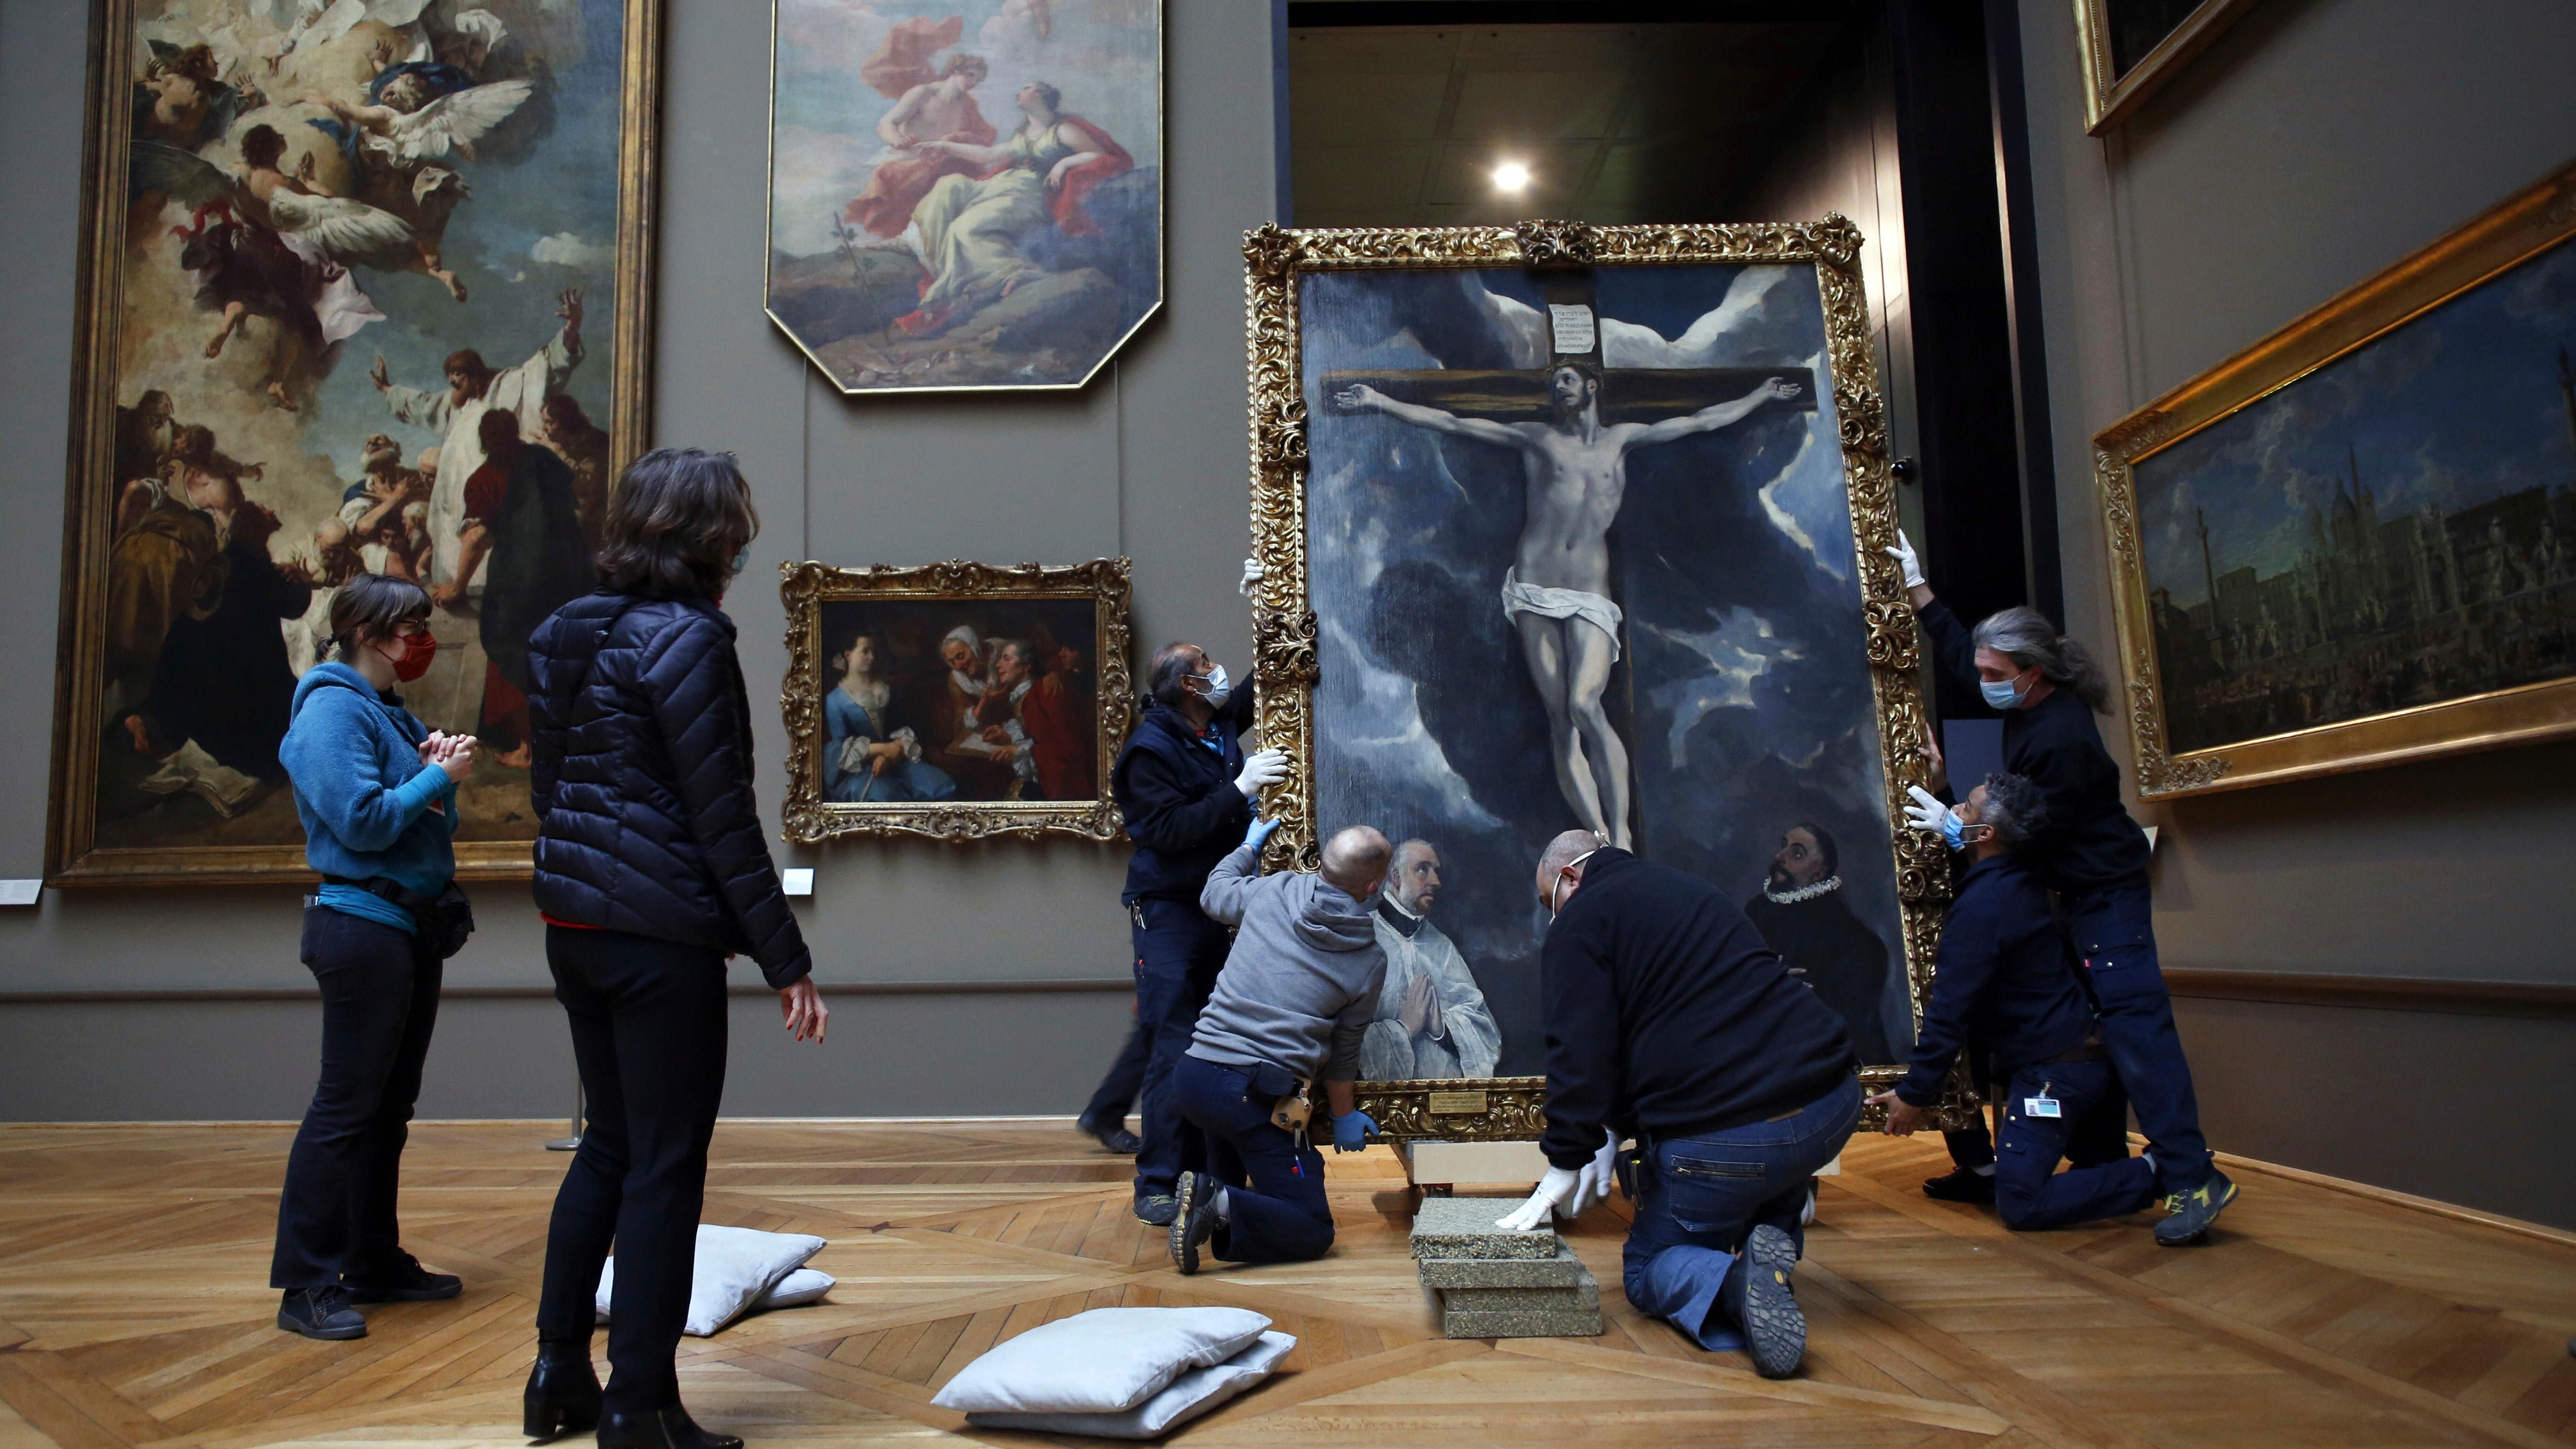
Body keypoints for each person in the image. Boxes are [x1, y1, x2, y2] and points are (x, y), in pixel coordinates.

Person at [521, 448, 826, 1449]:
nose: (740, 548)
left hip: (576, 927)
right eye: (734, 531)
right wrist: (786, 957)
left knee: (609, 1145)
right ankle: (640, 1403)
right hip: (658, 937)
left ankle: (559, 1371)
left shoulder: (563, 628)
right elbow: (722, 820)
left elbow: (552, 788)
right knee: (662, 1164)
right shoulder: (689, 640)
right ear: (709, 539)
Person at [1887, 531, 2235, 1245]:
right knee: (2098, 1029)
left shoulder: (2060, 736)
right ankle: (2115, 1163)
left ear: (2033, 672)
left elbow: (2033, 829)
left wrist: (1961, 827)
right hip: (2074, 894)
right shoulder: (2029, 703)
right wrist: (1921, 592)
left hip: (2103, 895)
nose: (1982, 677)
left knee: (2138, 1033)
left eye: (1995, 670)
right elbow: (1963, 656)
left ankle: (2190, 1173)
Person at [1335, 364, 1802, 848]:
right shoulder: (1537, 439)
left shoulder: (1623, 439)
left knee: (1584, 704)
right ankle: (1599, 834)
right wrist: (1380, 402)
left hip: (1588, 592)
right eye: (1555, 382)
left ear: (1591, 386)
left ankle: (1620, 831)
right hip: (1535, 588)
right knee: (1561, 717)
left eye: (1567, 379)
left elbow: (1703, 420)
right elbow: (1454, 422)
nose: (1559, 388)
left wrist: (1761, 396)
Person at [1500, 830, 1857, 1379]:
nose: (1552, 916)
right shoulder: (1689, 888)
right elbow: (1676, 1022)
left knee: (1646, 1270)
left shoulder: (1580, 917)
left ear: (1571, 876)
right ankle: (1775, 1228)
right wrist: (1609, 1127)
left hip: (1729, 1140)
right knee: (1766, 1153)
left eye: (1549, 900)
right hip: (1830, 1104)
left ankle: (1738, 1283)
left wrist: (1566, 1155)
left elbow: (1580, 1047)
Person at [269, 573, 478, 1340]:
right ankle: (306, 1283)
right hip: (361, 924)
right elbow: (360, 823)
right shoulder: (330, 708)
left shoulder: (388, 711)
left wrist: (432, 766)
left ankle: (372, 1258)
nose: (421, 636)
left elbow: (425, 819)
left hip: (405, 923)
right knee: (346, 1105)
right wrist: (435, 773)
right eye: (411, 625)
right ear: (370, 632)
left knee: (388, 1106)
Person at [1868, 775, 2162, 1233]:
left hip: (2056, 1072)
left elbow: (1949, 1011)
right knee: (2096, 1171)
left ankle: (2163, 1170)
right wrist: (1942, 783)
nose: (1954, 816)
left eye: (1964, 809)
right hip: (2093, 1058)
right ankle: (2155, 1173)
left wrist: (1912, 1094)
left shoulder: (1985, 905)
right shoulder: (2020, 878)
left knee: (2021, 1201)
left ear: (1985, 835)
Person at [1111, 601, 1289, 1226]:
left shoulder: (1210, 724)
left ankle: (1215, 1179)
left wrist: (1266, 600)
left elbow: (1260, 682)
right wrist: (1238, 791)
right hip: (1171, 913)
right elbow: (1167, 829)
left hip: (1219, 909)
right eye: (1207, 664)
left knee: (1223, 1044)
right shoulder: (1150, 748)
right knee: (1174, 1046)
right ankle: (1158, 1183)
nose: (1219, 672)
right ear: (1188, 684)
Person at [1167, 824, 1392, 1274]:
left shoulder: (1273, 890)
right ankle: (1220, 1199)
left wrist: (1249, 847)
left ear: (1322, 862)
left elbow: (1214, 893)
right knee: (1312, 1225)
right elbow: (1344, 1052)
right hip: (1251, 1095)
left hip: (1194, 1076)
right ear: (1372, 887)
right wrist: (1345, 1117)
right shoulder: (1368, 960)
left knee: (1232, 1156)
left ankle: (1215, 1197)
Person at [374, 288, 583, 587]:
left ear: (474, 374)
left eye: (458, 375)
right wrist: (387, 390)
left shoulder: (509, 385)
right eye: (450, 376)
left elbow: (548, 367)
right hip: (464, 490)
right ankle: (461, 581)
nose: (452, 382)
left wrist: (572, 326)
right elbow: (424, 403)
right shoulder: (460, 404)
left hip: (502, 482)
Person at [897, 80, 1133, 336]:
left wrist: (1063, 164)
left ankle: (1015, 273)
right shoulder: (1024, 133)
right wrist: (943, 146)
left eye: (1026, 88)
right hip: (1000, 186)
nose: (1019, 92)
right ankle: (915, 240)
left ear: (1041, 95)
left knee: (964, 229)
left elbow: (1096, 154)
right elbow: (988, 156)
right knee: (949, 185)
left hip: (1026, 194)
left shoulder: (1062, 130)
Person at [444, 408, 595, 767]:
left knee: (510, 651)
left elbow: (478, 535)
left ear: (485, 440)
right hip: (569, 575)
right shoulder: (542, 459)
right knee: (565, 654)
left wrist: (456, 586)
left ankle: (528, 750)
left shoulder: (486, 477)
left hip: (520, 581)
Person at [1743, 823, 1894, 1061]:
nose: (1779, 857)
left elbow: (1852, 1024)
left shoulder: (1856, 942)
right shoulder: (1755, 912)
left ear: (1820, 873)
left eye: (1797, 853)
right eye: (1784, 847)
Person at [1361, 839, 1501, 1080]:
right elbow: (1337, 1037)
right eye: (1423, 870)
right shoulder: (1360, 936)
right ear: (1396, 877)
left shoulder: (1442, 946)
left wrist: (1442, 1028)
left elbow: (1484, 1030)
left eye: (1436, 872)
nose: (1436, 882)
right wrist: (1404, 1028)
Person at [844, 49, 994, 239]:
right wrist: (899, 140)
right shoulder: (924, 93)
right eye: (971, 75)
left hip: (937, 162)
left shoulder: (966, 105)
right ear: (955, 70)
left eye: (978, 81)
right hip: (908, 158)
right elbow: (886, 123)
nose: (973, 83)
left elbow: (981, 134)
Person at [821, 631, 957, 802]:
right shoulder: (835, 700)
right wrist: (881, 750)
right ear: (849, 655)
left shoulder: (884, 690)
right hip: (858, 769)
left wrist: (889, 755)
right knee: (888, 798)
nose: (871, 657)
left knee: (941, 786)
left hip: (895, 759)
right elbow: (838, 749)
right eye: (865, 651)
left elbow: (902, 728)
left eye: (873, 652)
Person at [979, 636, 1090, 800]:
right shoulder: (1025, 696)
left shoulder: (1049, 692)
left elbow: (1071, 750)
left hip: (1066, 787)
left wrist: (1021, 752)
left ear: (1027, 666)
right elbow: (1039, 735)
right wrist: (1008, 737)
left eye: (1007, 659)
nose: (998, 665)